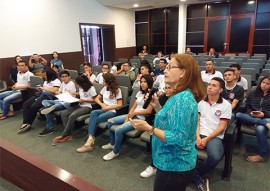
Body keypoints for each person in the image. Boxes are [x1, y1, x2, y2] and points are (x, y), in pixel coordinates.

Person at [130, 54, 206, 191]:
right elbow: (169, 121)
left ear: (183, 72)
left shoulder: (183, 100)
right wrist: (157, 106)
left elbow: (177, 138)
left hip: (175, 166)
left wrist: (149, 128)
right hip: (170, 162)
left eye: (170, 67)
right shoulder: (177, 95)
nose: (165, 70)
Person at [102, 74, 154, 161]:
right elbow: (133, 106)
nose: (142, 84)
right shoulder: (139, 92)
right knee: (110, 121)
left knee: (119, 129)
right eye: (141, 82)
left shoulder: (152, 95)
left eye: (145, 82)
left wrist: (133, 114)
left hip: (141, 119)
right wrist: (129, 115)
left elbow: (148, 111)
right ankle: (112, 143)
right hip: (132, 115)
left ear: (149, 83)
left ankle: (115, 152)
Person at [193, 77, 232, 191]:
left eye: (214, 85)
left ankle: (194, 175)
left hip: (214, 136)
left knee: (215, 157)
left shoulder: (226, 105)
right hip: (199, 133)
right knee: (180, 146)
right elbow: (197, 122)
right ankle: (196, 177)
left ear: (220, 90)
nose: (209, 87)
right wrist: (198, 137)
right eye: (209, 84)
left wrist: (206, 139)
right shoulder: (201, 102)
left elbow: (221, 127)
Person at [77, 73, 123, 153]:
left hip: (112, 111)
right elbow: (97, 99)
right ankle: (91, 138)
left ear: (109, 81)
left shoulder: (117, 90)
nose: (102, 82)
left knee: (94, 120)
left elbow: (120, 104)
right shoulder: (105, 88)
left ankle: (89, 141)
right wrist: (102, 104)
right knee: (94, 113)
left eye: (104, 81)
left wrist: (108, 107)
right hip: (104, 108)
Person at [140, 83, 173, 178]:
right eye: (165, 88)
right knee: (154, 138)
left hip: (172, 128)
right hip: (161, 124)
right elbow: (160, 114)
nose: (166, 90)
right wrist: (156, 105)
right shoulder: (163, 98)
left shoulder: (177, 100)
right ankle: (153, 166)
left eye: (169, 87)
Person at [52, 75, 97, 144]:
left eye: (77, 84)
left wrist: (84, 100)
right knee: (63, 113)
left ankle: (64, 134)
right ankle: (69, 134)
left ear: (82, 83)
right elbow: (81, 93)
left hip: (88, 107)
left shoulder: (91, 88)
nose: (76, 85)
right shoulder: (81, 88)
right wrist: (74, 94)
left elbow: (95, 100)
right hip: (80, 104)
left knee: (72, 115)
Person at [236, 76, 270, 162]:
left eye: (268, 84)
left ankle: (261, 155)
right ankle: (263, 123)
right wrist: (250, 112)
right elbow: (247, 107)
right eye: (263, 82)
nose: (264, 85)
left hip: (267, 118)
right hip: (253, 116)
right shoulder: (253, 93)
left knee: (260, 129)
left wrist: (263, 114)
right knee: (239, 114)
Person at [18, 69, 61, 134]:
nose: (45, 76)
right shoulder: (46, 80)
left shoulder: (56, 81)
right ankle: (25, 122)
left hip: (49, 96)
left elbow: (54, 91)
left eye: (46, 74)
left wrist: (43, 88)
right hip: (41, 94)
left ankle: (28, 123)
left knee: (33, 106)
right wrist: (40, 89)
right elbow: (43, 89)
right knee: (25, 104)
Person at [39, 70, 76, 136]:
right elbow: (58, 92)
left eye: (65, 76)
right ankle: (50, 107)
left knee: (48, 109)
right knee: (44, 101)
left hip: (66, 103)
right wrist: (60, 93)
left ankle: (49, 127)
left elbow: (71, 96)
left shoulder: (71, 84)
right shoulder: (62, 83)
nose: (64, 78)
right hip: (59, 100)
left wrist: (61, 93)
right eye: (62, 77)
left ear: (69, 77)